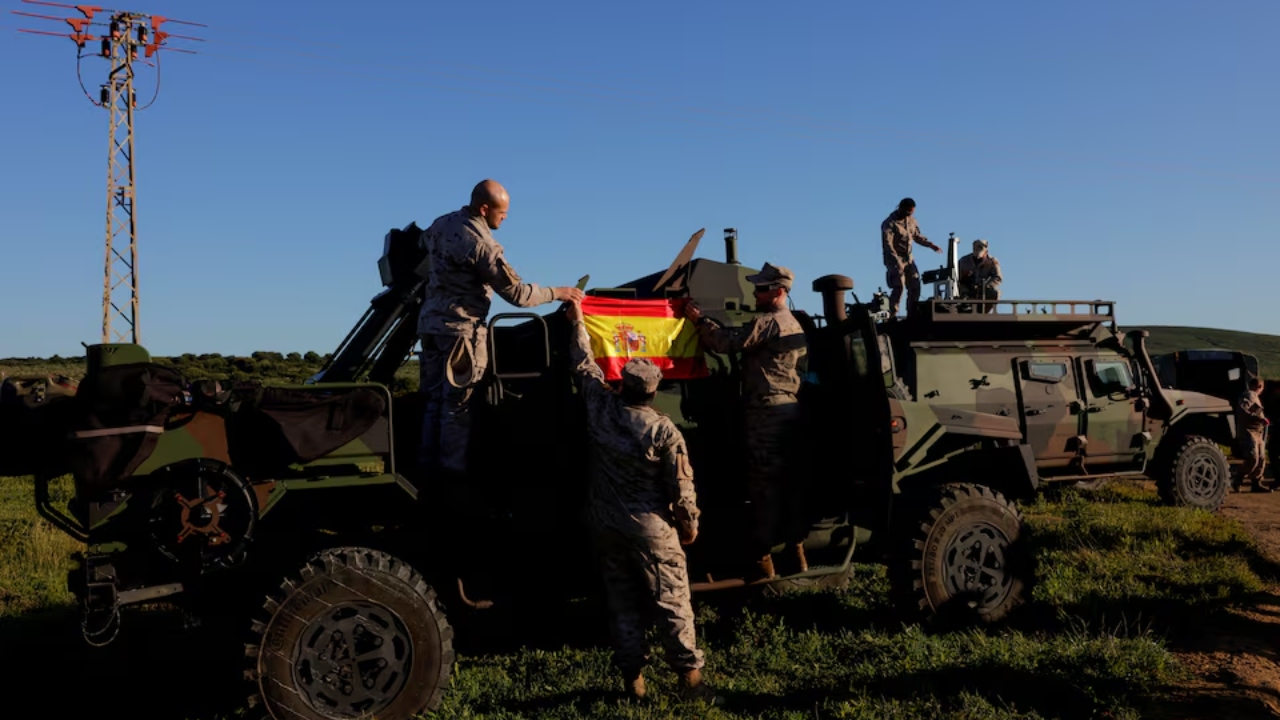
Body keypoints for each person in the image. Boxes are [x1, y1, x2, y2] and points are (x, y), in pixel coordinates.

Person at [563, 297, 721, 705]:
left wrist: (578, 321)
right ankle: (692, 684)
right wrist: (689, 526)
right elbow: (682, 489)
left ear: (623, 383)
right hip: (651, 528)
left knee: (622, 604)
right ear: (654, 391)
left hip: (605, 522)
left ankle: (633, 684)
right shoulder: (664, 431)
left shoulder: (599, 408)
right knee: (673, 603)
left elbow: (584, 365)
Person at [416, 178, 583, 479]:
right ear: (484, 209)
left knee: (433, 404)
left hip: (431, 328)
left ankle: (427, 477)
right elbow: (517, 294)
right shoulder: (482, 245)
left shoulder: (441, 224)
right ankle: (453, 485)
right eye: (502, 212)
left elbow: (422, 245)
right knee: (458, 409)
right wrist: (559, 292)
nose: (505, 218)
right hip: (461, 336)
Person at [684, 262, 809, 581]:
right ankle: (796, 555)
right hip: (788, 410)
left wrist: (700, 321)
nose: (755, 292)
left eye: (762, 288)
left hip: (766, 412)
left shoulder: (768, 322)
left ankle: (762, 566)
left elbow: (725, 343)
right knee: (788, 485)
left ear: (778, 292)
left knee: (762, 487)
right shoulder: (794, 323)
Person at [881, 197, 942, 319]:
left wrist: (931, 245)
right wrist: (896, 261)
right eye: (908, 212)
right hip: (894, 258)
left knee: (915, 285)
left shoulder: (912, 221)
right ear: (901, 208)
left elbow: (917, 236)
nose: (909, 214)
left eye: (911, 212)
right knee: (899, 287)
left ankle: (912, 315)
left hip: (908, 257)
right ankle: (892, 315)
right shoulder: (889, 223)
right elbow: (888, 245)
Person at [1236, 376, 1271, 492]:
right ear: (1260, 386)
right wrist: (1259, 419)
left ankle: (1256, 483)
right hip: (1249, 431)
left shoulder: (1254, 397)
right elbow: (1243, 411)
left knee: (1261, 459)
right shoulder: (1249, 396)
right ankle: (1238, 478)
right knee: (1254, 458)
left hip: (1258, 432)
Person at [957, 238, 1003, 312]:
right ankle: (965, 309)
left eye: (981, 247)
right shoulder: (963, 261)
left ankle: (983, 312)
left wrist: (986, 286)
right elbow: (956, 277)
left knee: (995, 292)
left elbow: (998, 278)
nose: (978, 249)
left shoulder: (992, 261)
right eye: (976, 247)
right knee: (961, 292)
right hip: (967, 290)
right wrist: (965, 278)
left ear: (986, 249)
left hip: (984, 291)